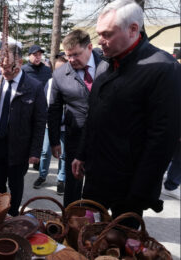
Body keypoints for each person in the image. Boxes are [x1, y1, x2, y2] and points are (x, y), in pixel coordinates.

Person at [72, 0, 180, 227]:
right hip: (96, 178)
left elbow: (162, 139)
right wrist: (81, 154)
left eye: (107, 34)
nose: (100, 41)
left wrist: (140, 192)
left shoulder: (163, 68)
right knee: (85, 237)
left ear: (133, 29)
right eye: (99, 34)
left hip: (129, 187)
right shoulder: (106, 64)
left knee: (119, 246)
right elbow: (94, 116)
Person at [0, 44, 46, 216]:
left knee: (15, 185)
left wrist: (35, 151)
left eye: (8, 67)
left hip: (19, 146)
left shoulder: (34, 87)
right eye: (1, 66)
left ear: (20, 63)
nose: (3, 70)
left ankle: (13, 215)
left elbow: (39, 122)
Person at [48, 29, 101, 207]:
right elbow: (54, 109)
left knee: (98, 184)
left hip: (104, 137)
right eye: (68, 56)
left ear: (90, 48)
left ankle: (93, 221)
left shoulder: (108, 65)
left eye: (76, 55)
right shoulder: (60, 74)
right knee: (73, 182)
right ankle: (69, 219)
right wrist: (55, 140)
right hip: (75, 137)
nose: (71, 60)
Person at [33, 53, 68, 194]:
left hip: (65, 127)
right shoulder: (50, 83)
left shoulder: (72, 82)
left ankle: (61, 180)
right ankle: (42, 175)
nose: (60, 72)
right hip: (49, 125)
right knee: (45, 152)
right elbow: (45, 104)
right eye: (57, 69)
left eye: (63, 68)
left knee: (64, 155)